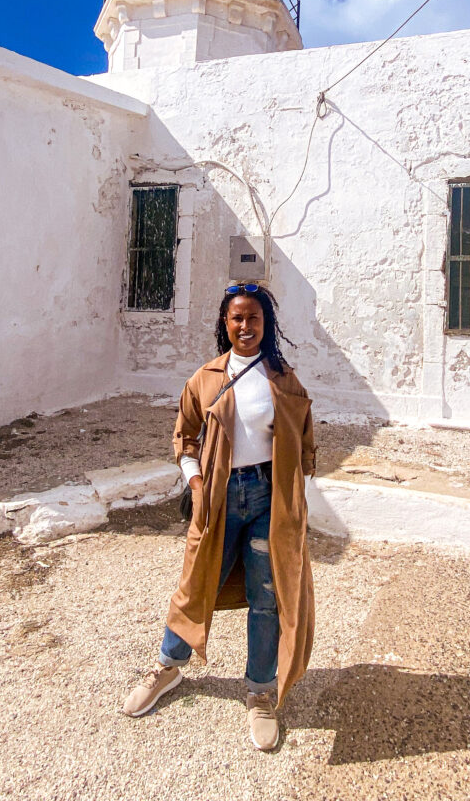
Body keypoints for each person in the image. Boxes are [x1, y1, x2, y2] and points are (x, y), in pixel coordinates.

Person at [124, 283, 316, 751]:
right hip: (219, 498)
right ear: (224, 324)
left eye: (253, 318)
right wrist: (195, 482)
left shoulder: (282, 378)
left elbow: (305, 440)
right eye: (237, 318)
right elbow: (184, 435)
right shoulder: (207, 378)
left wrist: (295, 493)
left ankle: (260, 691)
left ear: (265, 324)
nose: (245, 326)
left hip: (268, 501)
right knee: (196, 583)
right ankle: (168, 668)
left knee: (267, 595)